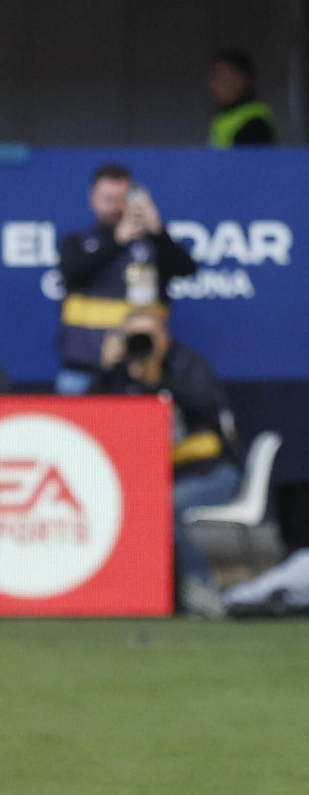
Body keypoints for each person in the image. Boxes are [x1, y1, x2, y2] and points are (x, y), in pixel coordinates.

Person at [90, 309, 240, 617]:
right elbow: (88, 419)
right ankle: (125, 594)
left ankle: (200, 588)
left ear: (165, 337)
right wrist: (104, 370)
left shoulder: (187, 365)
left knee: (162, 505)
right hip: (150, 476)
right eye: (134, 337)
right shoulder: (119, 373)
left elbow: (207, 407)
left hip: (209, 471)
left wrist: (160, 378)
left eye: (149, 336)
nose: (142, 344)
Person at [56, 164, 198, 395]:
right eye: (108, 199)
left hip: (143, 371)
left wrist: (158, 232)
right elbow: (71, 272)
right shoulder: (78, 241)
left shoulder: (152, 243)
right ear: (93, 198)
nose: (115, 207)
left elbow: (187, 269)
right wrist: (116, 241)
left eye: (122, 199)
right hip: (85, 370)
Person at [207, 50, 276, 147]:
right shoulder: (224, 117)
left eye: (222, 78)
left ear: (241, 80)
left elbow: (252, 160)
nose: (214, 84)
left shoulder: (254, 123)